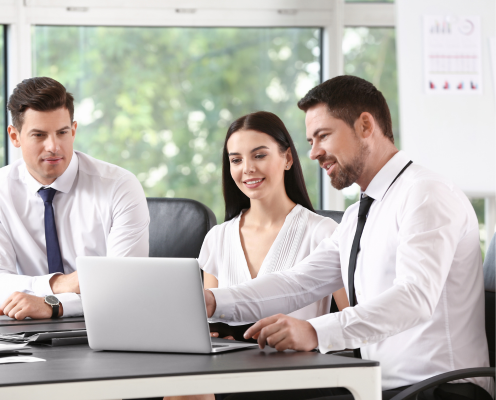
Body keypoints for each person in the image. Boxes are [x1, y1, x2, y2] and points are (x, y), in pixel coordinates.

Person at [204, 76, 492, 400]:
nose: (313, 153)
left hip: (441, 390)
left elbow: (415, 297)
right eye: (310, 141)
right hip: (381, 389)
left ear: (365, 126)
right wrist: (215, 302)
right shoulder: (358, 215)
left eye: (323, 136)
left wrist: (315, 331)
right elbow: (299, 283)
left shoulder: (425, 193)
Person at [165, 111, 348, 400]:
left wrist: (310, 334)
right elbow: (204, 321)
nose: (247, 168)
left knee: (191, 390)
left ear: (287, 158)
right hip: (229, 369)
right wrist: (210, 338)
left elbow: (354, 322)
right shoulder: (218, 237)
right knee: (183, 386)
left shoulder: (324, 233)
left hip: (296, 374)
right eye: (236, 160)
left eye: (259, 155)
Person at [0, 77, 149, 320]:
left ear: (73, 130)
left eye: (62, 133)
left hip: (108, 328)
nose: (53, 146)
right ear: (15, 136)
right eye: (39, 135)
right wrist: (58, 285)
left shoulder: (119, 187)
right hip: (26, 334)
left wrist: (53, 305)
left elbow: (124, 287)